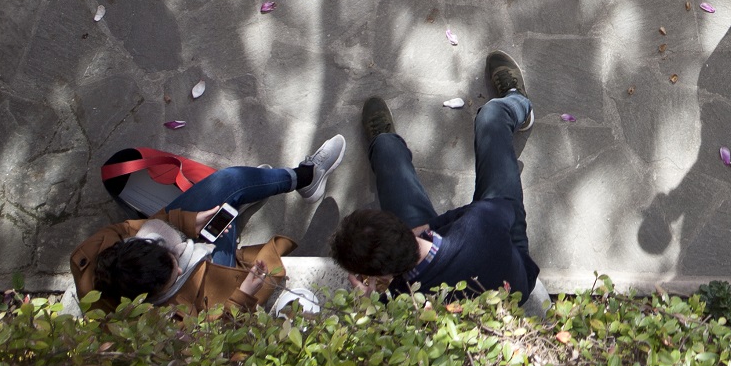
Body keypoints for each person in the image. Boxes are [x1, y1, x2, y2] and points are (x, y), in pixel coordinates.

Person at [331, 51, 539, 303]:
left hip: (454, 243)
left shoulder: (398, 299)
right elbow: (502, 209)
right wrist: (431, 227)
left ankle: (383, 140)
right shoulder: (479, 226)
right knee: (491, 116)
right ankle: (517, 103)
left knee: (385, 148)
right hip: (506, 257)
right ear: (400, 226)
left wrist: (370, 302)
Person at [70, 133, 345, 313]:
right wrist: (244, 296)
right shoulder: (141, 333)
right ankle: (236, 211)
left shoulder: (94, 250)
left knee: (229, 182)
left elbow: (135, 227)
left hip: (174, 235)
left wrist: (188, 222)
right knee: (229, 205)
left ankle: (305, 178)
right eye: (172, 277)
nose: (178, 269)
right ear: (144, 301)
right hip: (208, 295)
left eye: (171, 259)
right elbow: (212, 345)